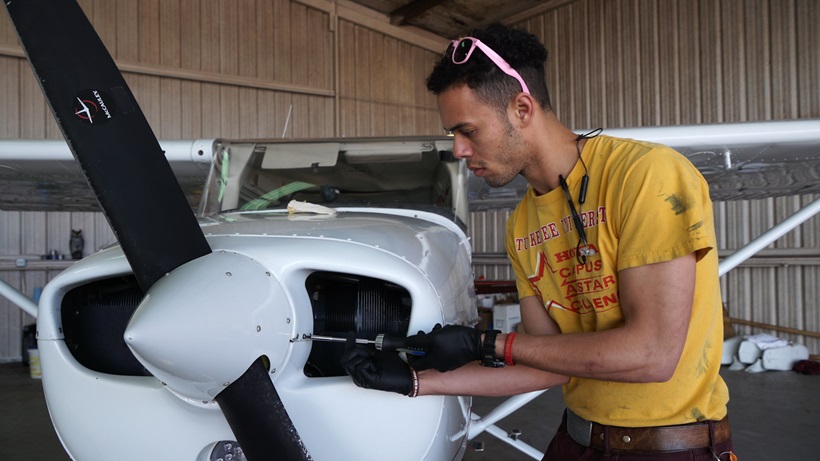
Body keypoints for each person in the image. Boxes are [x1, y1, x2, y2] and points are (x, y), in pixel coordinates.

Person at [341, 23, 734, 460]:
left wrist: (487, 343)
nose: (458, 150)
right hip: (578, 440)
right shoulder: (523, 222)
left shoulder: (646, 175)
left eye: (467, 130)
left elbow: (652, 355)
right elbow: (543, 362)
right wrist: (417, 380)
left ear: (522, 109)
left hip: (669, 448)